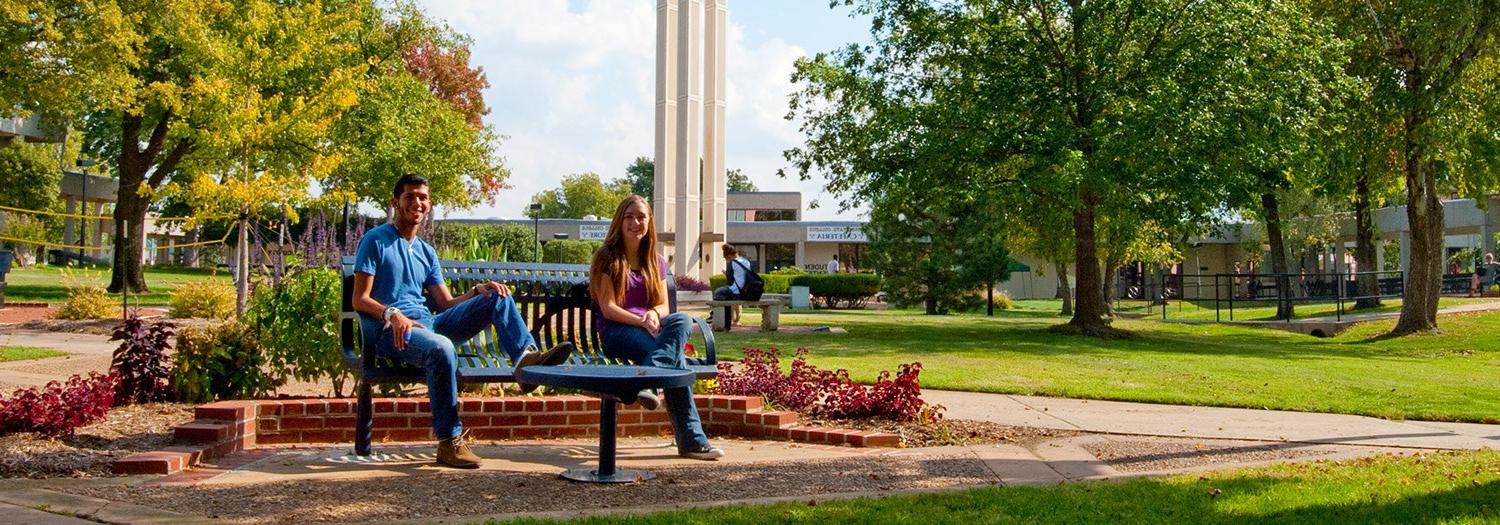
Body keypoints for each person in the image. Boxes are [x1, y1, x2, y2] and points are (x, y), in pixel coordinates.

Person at [351, 173, 575, 469]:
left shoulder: (426, 252)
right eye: (410, 197)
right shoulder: (375, 240)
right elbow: (360, 299)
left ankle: (525, 361)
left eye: (423, 198)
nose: (417, 203)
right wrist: (392, 314)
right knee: (441, 347)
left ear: (429, 205)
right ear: (396, 202)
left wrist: (476, 292)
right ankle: (450, 442)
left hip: (428, 323)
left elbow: (445, 303)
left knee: (497, 295)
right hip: (391, 330)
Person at [589, 195, 724, 460]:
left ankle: (649, 380)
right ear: (619, 221)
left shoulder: (655, 261)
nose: (635, 222)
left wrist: (652, 313)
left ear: (649, 222)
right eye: (629, 217)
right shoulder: (607, 258)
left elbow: (664, 306)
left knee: (682, 320)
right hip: (618, 331)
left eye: (641, 217)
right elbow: (608, 308)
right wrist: (641, 320)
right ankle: (693, 441)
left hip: (651, 331)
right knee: (676, 362)